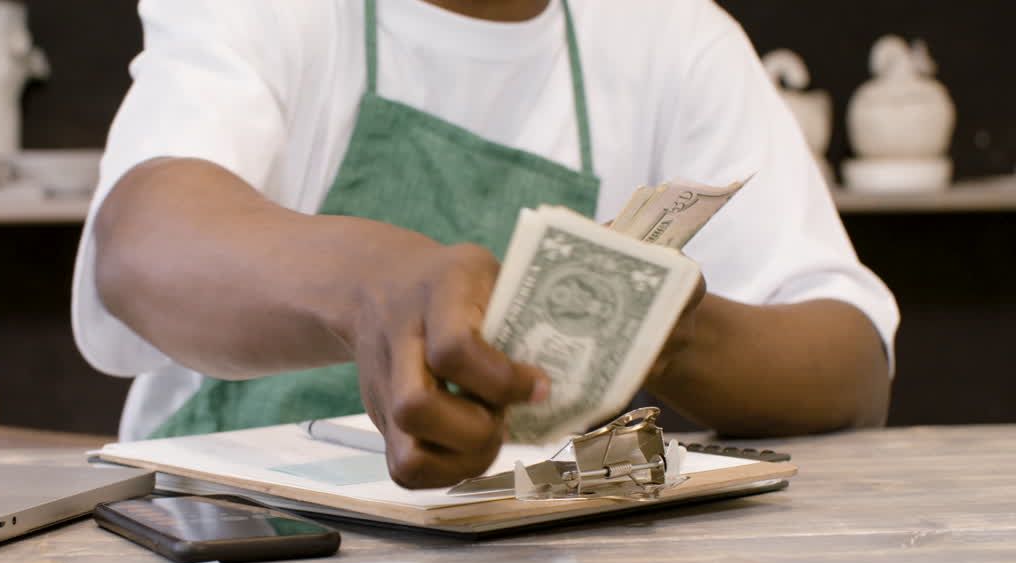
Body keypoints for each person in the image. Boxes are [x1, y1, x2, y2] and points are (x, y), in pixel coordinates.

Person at [72, 0, 899, 489]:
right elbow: (140, 240)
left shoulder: (671, 34)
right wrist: (369, 290)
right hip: (236, 558)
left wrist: (660, 329)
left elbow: (850, 363)